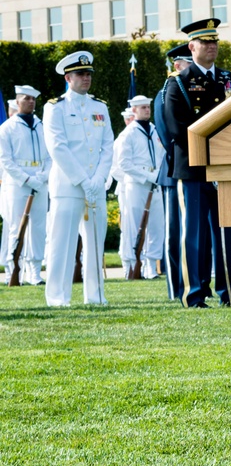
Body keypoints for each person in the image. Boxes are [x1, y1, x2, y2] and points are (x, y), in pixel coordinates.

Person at [162, 19, 231, 308]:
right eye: (205, 42)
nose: (212, 47)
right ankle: (194, 294)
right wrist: (210, 156)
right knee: (194, 235)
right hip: (194, 169)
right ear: (191, 47)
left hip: (226, 168)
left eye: (215, 42)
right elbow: (177, 128)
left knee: (227, 234)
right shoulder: (179, 83)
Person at [43, 51, 114, 306]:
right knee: (62, 244)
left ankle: (95, 296)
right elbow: (57, 147)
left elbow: (108, 145)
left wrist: (99, 179)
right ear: (68, 77)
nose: (86, 78)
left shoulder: (100, 106)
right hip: (68, 186)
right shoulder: (55, 107)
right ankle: (57, 297)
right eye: (81, 74)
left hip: (96, 186)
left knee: (95, 244)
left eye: (88, 74)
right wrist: (84, 180)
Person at [0, 85, 50, 284]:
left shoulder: (42, 126)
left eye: (33, 99)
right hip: (18, 182)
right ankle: (13, 271)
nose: (31, 102)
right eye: (26, 98)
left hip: (40, 180)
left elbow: (50, 156)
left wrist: (42, 177)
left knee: (38, 228)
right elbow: (6, 161)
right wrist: (27, 179)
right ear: (17, 101)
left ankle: (35, 271)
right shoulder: (6, 128)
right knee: (15, 227)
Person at [154, 43, 191, 299]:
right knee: (174, 233)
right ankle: (175, 288)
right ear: (177, 65)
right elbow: (168, 136)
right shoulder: (167, 90)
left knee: (191, 233)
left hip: (189, 170)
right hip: (173, 171)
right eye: (189, 64)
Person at [117, 96, 166, 278]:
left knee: (156, 225)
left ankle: (151, 267)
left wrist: (159, 176)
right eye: (143, 108)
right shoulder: (128, 134)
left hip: (156, 182)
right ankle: (131, 265)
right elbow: (124, 163)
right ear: (134, 110)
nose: (147, 110)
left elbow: (162, 156)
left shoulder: (155, 130)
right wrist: (147, 177)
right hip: (137, 184)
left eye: (148, 107)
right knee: (134, 226)